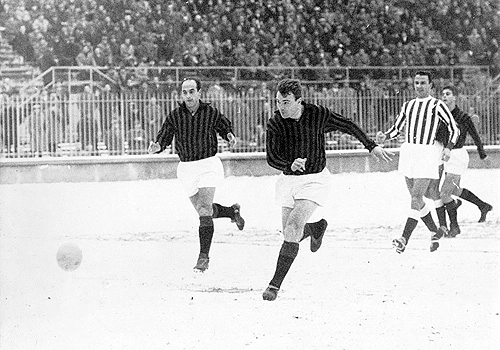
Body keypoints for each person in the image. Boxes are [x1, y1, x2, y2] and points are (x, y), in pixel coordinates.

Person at [262, 79, 393, 301]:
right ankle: (315, 228)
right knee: (289, 233)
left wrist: (371, 145)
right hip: (288, 180)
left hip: (315, 180)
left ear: (299, 101)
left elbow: (347, 125)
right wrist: (289, 164)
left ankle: (274, 285)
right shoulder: (275, 122)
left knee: (293, 228)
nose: (280, 107)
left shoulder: (316, 114)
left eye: (285, 102)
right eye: (278, 102)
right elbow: (271, 158)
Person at [148, 78, 245, 272]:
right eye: (185, 92)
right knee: (204, 210)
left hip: (208, 164)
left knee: (203, 210)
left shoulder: (210, 112)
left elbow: (224, 126)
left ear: (199, 92)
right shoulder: (175, 115)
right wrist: (157, 146)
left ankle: (203, 258)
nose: (188, 96)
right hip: (186, 168)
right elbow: (164, 136)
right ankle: (231, 212)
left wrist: (229, 136)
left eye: (192, 91)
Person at [377, 71, 460, 254]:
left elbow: (454, 129)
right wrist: (385, 136)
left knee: (416, 197)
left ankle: (403, 239)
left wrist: (448, 148)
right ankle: (434, 232)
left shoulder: (437, 105)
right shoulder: (408, 105)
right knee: (417, 200)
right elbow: (397, 128)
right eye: (416, 83)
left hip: (426, 153)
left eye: (423, 83)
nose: (419, 86)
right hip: (409, 152)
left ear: (431, 85)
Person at [438, 85, 492, 236]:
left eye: (448, 94)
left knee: (444, 194)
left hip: (458, 156)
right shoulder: (441, 116)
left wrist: (482, 154)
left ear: (454, 97)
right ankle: (483, 206)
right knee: (454, 190)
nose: (444, 96)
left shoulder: (463, 117)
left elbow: (475, 137)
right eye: (443, 94)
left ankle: (454, 227)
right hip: (447, 157)